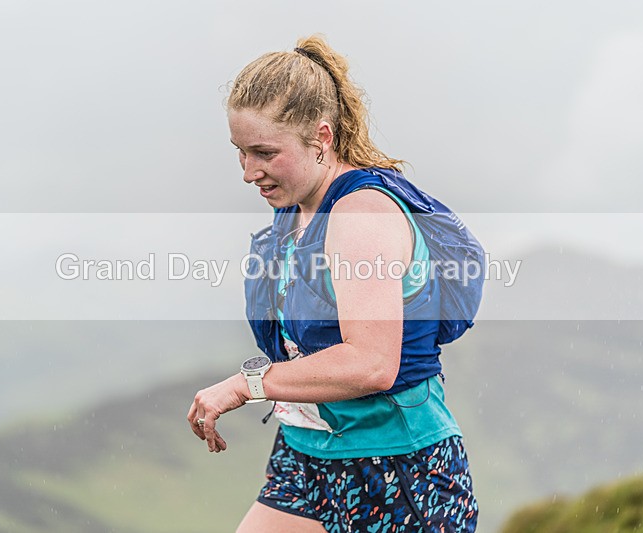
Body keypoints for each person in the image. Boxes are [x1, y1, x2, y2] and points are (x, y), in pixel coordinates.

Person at [187, 35, 479, 532]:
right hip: (307, 453)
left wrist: (246, 385)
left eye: (264, 153)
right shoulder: (296, 209)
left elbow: (371, 362)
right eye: (240, 152)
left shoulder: (361, 215)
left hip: (397, 468)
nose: (248, 172)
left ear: (321, 138)